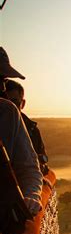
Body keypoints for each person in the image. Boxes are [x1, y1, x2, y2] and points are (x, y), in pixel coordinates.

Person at [0, 47, 42, 216]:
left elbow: (29, 167)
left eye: (3, 79)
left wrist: (31, 195)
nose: (3, 86)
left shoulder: (6, 112)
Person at [4, 79, 49, 175]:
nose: (10, 108)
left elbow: (43, 165)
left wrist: (40, 166)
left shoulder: (32, 130)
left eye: (14, 102)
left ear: (23, 103)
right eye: (5, 103)